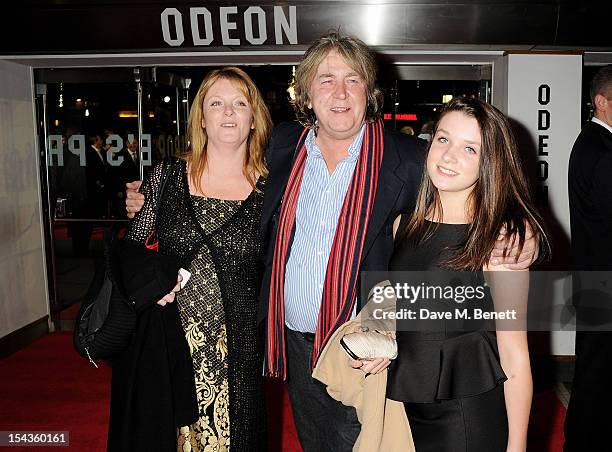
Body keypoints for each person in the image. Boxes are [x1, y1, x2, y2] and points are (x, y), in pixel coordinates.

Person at [127, 33, 538, 452]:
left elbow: (475, 204)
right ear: (305, 94)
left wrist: (524, 235)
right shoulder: (280, 147)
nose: (340, 92)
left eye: (353, 79)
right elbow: (224, 168)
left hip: (361, 351)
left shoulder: (411, 159)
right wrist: (156, 195)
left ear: (370, 92)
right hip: (294, 344)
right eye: (326, 79)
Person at [371, 97, 547, 452]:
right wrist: (380, 342)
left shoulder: (500, 239)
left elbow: (514, 355)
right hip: (410, 401)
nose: (449, 155)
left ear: (489, 163)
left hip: (468, 411)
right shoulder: (404, 223)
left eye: (470, 149)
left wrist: (517, 446)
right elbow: (401, 306)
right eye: (443, 139)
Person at [114, 66, 272, 451]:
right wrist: (153, 285)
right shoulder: (166, 175)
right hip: (168, 343)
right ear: (201, 118)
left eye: (240, 103)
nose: (229, 112)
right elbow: (129, 252)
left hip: (238, 350)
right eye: (216, 103)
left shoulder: (273, 190)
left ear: (254, 119)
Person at [564, 65, 612, 452]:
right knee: (596, 371)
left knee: (595, 368)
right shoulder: (600, 149)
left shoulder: (591, 143)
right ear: (601, 102)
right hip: (603, 279)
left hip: (595, 278)